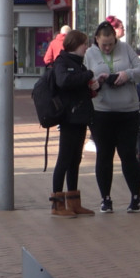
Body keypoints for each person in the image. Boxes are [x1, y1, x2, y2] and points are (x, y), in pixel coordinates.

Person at [84, 20, 140, 213]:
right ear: (97, 40)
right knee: (104, 154)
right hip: (102, 111)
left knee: (128, 154)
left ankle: (136, 198)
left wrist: (127, 74)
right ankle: (106, 199)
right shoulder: (90, 54)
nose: (108, 47)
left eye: (111, 43)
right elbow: (85, 79)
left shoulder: (126, 48)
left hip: (128, 110)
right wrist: (98, 80)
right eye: (104, 44)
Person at [50, 30, 99, 217]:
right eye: (84, 44)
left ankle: (73, 201)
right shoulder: (63, 62)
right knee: (64, 159)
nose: (86, 48)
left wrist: (94, 84)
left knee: (75, 159)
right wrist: (87, 76)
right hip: (69, 118)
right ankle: (57, 204)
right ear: (75, 44)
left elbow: (78, 85)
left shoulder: (79, 64)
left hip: (80, 117)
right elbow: (64, 82)